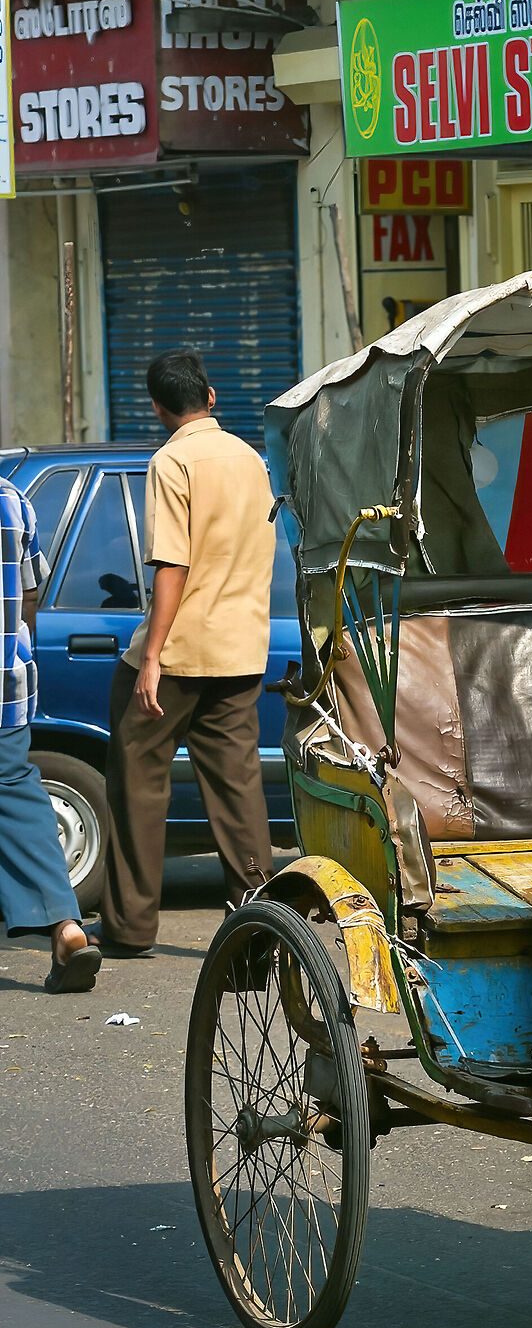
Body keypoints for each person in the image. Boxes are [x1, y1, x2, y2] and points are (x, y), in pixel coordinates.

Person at [100, 351, 276, 956]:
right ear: (211, 395)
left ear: (157, 408)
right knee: (238, 790)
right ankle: (259, 934)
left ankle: (128, 928)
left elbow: (171, 565)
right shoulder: (252, 461)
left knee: (137, 779)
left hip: (180, 653)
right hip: (242, 647)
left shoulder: (171, 461)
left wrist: (151, 656)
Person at [0, 474, 101, 992]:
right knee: (17, 797)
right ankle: (66, 926)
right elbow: (29, 596)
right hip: (5, 687)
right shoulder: (12, 500)